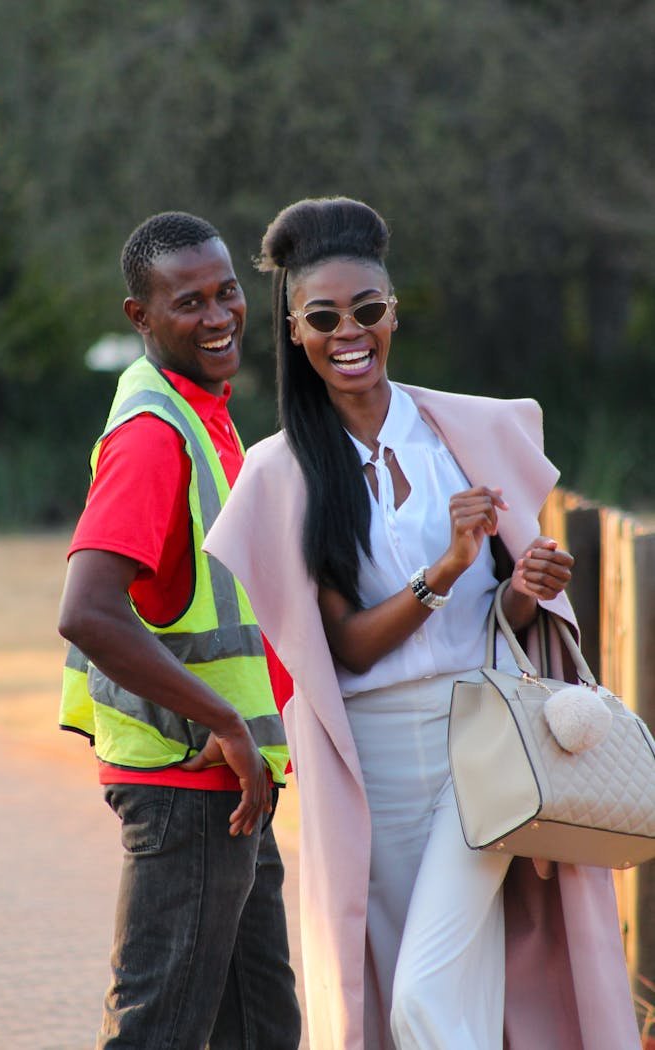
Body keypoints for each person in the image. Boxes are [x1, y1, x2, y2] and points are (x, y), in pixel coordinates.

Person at [203, 197, 641, 1049]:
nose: (348, 333)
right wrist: (444, 568)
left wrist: (526, 588)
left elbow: (501, 619)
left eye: (367, 309)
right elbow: (347, 647)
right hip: (369, 769)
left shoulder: (467, 432)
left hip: (483, 749)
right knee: (411, 1000)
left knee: (423, 1002)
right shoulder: (283, 473)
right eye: (323, 317)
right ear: (294, 331)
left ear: (394, 313)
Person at [57, 211, 301, 1050]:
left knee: (262, 1029)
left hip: (232, 785)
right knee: (159, 1032)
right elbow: (87, 610)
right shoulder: (155, 435)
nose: (219, 315)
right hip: (188, 785)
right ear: (142, 316)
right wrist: (226, 721)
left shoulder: (204, 411)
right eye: (189, 301)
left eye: (227, 292)